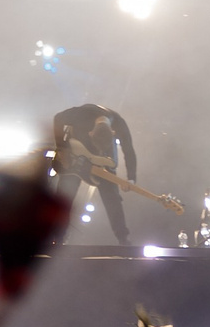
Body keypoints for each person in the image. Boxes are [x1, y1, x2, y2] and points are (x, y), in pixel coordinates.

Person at [50, 102, 144, 242]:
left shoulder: (118, 123)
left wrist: (131, 178)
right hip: (74, 161)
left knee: (112, 199)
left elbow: (128, 150)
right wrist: (62, 148)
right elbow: (57, 118)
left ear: (113, 133)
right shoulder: (81, 113)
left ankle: (123, 238)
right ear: (91, 132)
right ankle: (58, 238)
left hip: (102, 163)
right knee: (64, 198)